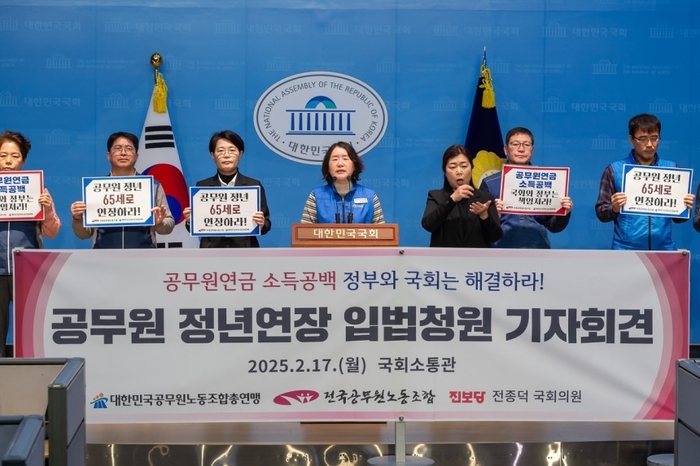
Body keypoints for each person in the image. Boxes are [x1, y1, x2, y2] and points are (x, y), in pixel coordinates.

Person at [0, 131, 60, 357]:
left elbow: (52, 232)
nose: (8, 161)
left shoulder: (37, 190)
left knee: (30, 331)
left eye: (15, 156)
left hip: (27, 270)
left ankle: (32, 372)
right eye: (3, 155)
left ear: (23, 161)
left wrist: (47, 210)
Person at [595, 113, 694, 250]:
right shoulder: (615, 170)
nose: (649, 144)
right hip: (625, 250)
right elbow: (601, 213)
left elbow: (679, 219)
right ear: (631, 139)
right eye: (642, 139)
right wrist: (615, 208)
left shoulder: (673, 170)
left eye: (654, 138)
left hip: (663, 250)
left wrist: (685, 206)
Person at [70, 131, 174, 248]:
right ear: (108, 155)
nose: (123, 153)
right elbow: (84, 234)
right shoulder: (96, 188)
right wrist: (77, 219)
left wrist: (159, 223)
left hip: (144, 254)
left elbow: (169, 225)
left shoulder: (152, 186)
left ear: (136, 156)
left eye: (129, 148)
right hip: (103, 255)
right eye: (117, 148)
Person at [479, 127, 573, 248]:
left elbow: (554, 227)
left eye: (526, 145)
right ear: (506, 149)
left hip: (538, 249)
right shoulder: (489, 183)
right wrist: (493, 216)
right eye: (515, 144)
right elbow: (480, 227)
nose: (521, 149)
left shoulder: (546, 181)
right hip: (502, 250)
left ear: (532, 150)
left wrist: (564, 212)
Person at [182, 130, 271, 247]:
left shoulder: (253, 185)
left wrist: (262, 223)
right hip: (211, 251)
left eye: (232, 150)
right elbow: (195, 226)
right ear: (213, 156)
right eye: (220, 151)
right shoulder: (202, 187)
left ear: (240, 154)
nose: (226, 155)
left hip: (245, 250)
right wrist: (190, 221)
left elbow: (267, 224)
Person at [422, 145, 502, 247]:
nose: (459, 171)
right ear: (445, 171)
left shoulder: (485, 198)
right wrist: (452, 199)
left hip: (476, 257)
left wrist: (484, 216)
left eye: (464, 166)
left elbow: (495, 236)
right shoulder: (436, 196)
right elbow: (428, 225)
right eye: (452, 167)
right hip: (444, 257)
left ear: (471, 168)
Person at [300, 141, 385, 224]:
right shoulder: (316, 196)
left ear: (354, 166)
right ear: (328, 167)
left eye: (345, 159)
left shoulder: (370, 196)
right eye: (335, 159)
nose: (340, 164)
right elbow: (304, 231)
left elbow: (382, 232)